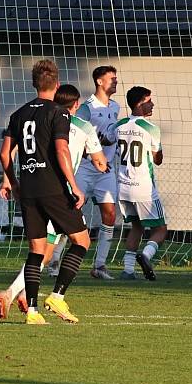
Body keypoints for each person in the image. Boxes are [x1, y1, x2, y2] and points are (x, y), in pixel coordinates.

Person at [0, 84, 107, 319]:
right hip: (59, 191)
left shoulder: (31, 118)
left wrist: (9, 180)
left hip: (30, 188)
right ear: (75, 105)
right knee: (77, 242)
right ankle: (40, 295)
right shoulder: (74, 123)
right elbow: (90, 159)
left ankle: (28, 302)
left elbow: (8, 152)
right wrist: (93, 170)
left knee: (40, 249)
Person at [115, 86, 166, 281]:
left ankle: (128, 270)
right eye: (149, 100)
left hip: (123, 187)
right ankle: (146, 255)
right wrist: (157, 149)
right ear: (140, 103)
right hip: (144, 187)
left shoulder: (118, 125)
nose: (152, 104)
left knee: (136, 226)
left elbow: (109, 142)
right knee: (160, 229)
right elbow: (158, 159)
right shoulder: (151, 128)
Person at [75, 66, 121, 280]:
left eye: (116, 78)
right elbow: (76, 134)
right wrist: (94, 151)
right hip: (85, 167)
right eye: (111, 78)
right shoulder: (87, 108)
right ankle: (54, 259)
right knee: (71, 211)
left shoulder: (116, 106)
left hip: (106, 170)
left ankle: (100, 265)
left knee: (110, 213)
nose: (115, 81)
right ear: (99, 82)